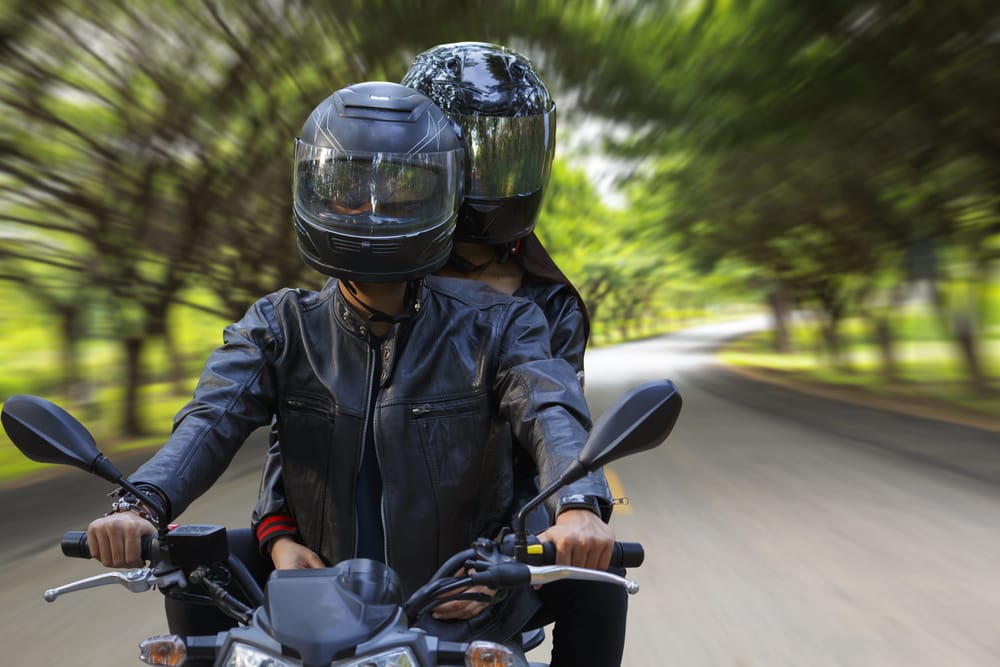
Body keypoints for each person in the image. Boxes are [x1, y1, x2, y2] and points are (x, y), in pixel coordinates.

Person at [85, 81, 615, 657]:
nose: (370, 210)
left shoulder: (502, 325)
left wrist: (578, 508)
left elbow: (551, 410)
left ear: (443, 200)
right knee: (191, 567)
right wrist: (138, 505)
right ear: (312, 193)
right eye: (347, 192)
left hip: (457, 594)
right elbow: (210, 420)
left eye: (398, 195)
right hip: (315, 589)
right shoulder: (280, 324)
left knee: (599, 585)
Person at [403, 42, 629, 666]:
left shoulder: (549, 303)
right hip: (373, 531)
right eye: (470, 158)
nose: (489, 179)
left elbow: (555, 432)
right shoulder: (378, 276)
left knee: (602, 586)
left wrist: (522, 545)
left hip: (500, 534)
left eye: (510, 153)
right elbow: (308, 417)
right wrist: (281, 536)